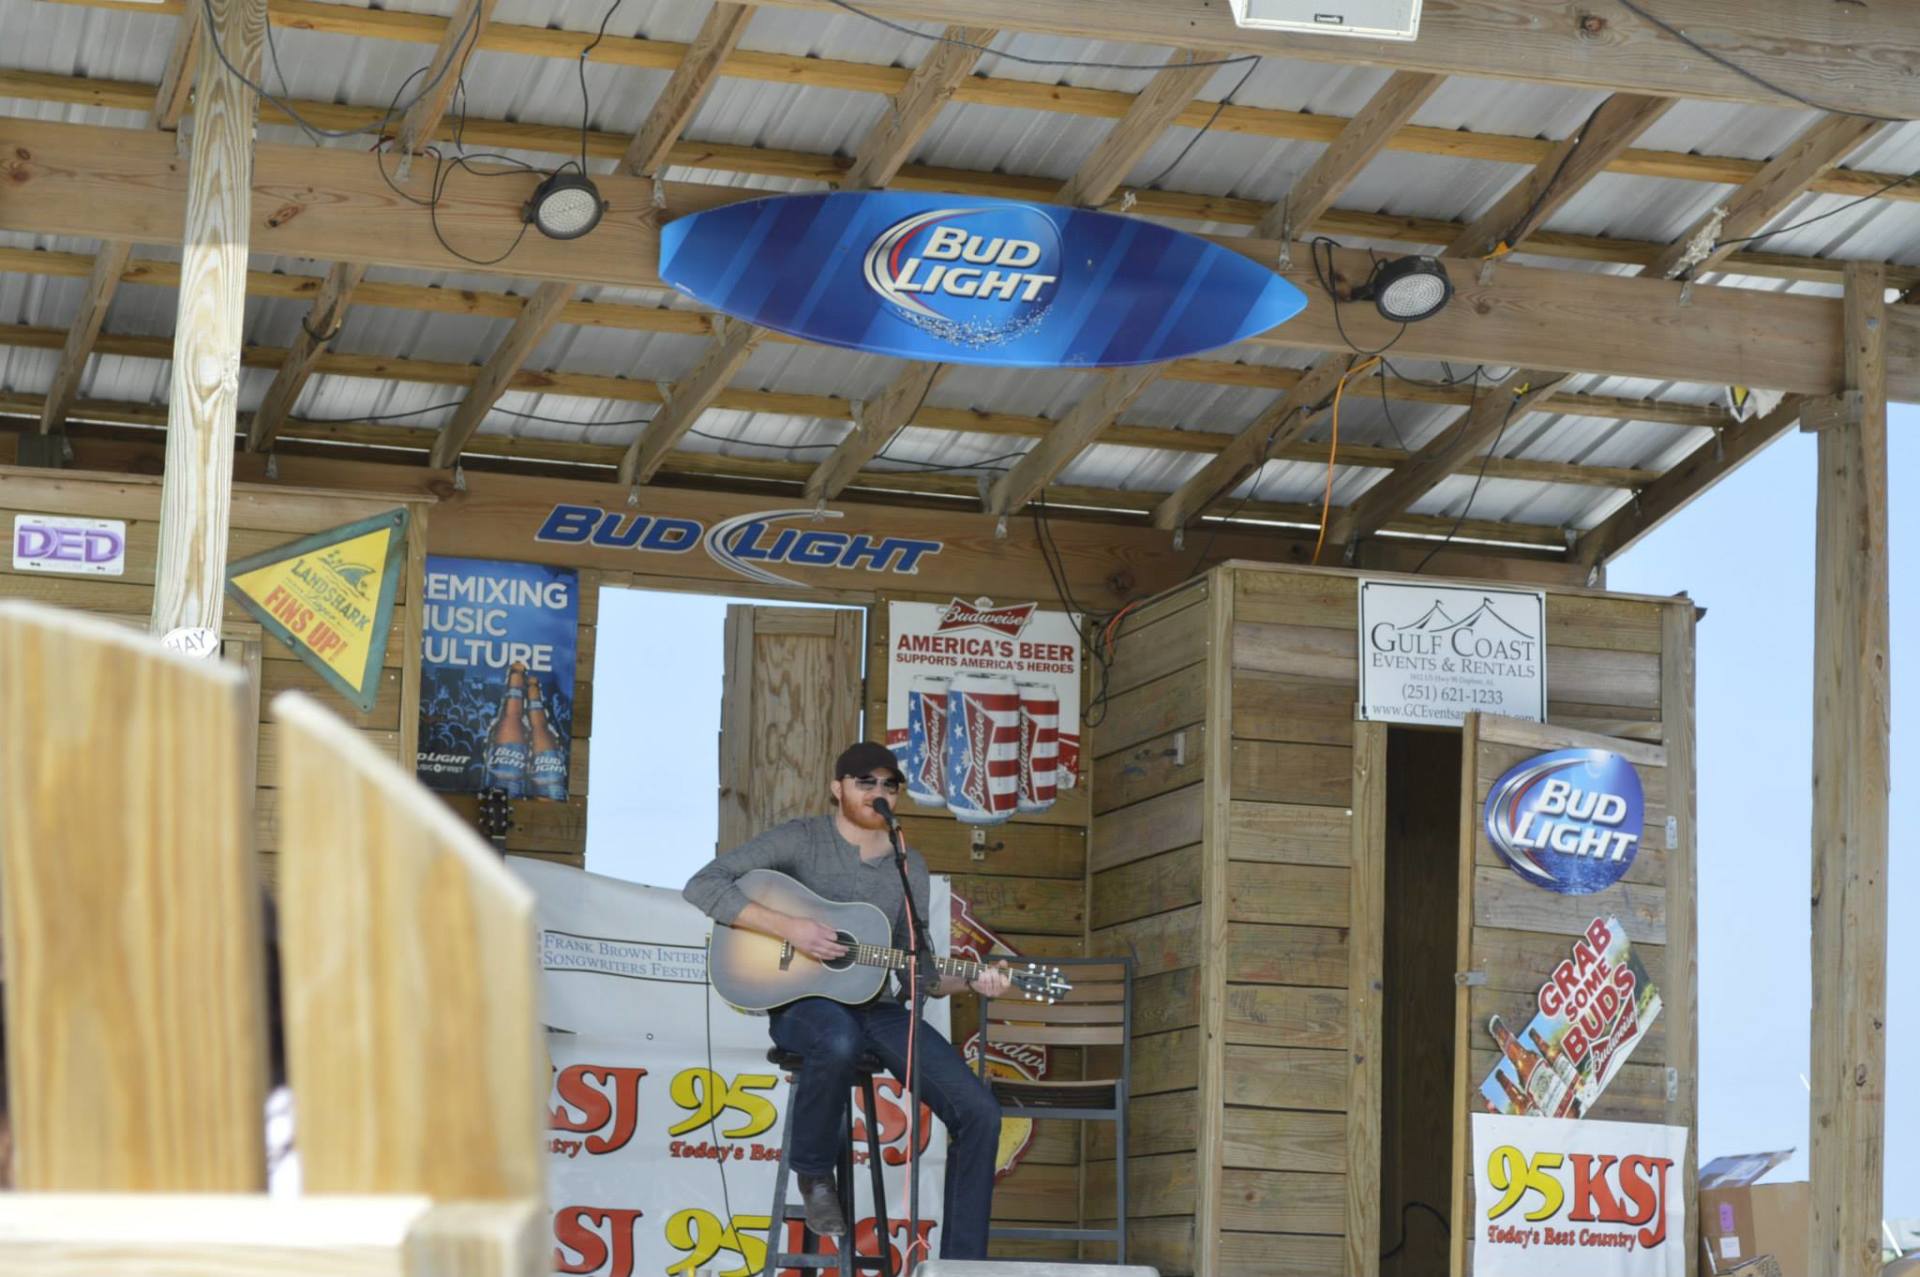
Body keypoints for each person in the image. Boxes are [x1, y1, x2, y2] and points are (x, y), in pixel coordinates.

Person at [683, 742, 1008, 1259]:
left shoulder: (909, 866)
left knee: (980, 1112)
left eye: (888, 785)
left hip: (878, 1009)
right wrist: (793, 928)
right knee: (837, 1037)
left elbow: (916, 970)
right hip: (802, 1006)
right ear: (838, 789)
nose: (878, 793)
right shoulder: (802, 840)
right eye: (865, 783)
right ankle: (813, 1174)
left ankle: (963, 1263)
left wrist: (972, 980)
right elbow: (703, 885)